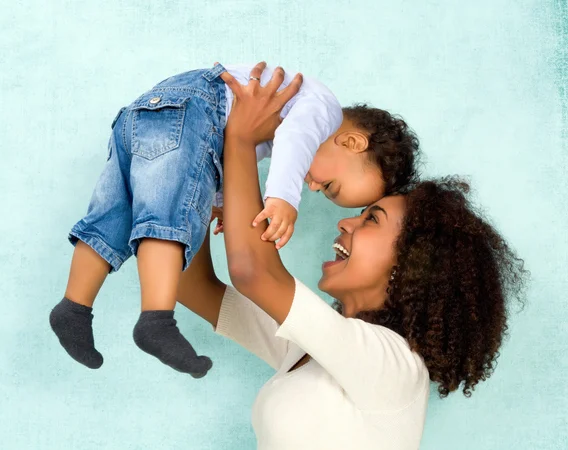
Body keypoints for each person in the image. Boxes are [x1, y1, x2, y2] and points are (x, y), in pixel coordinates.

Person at [176, 64, 528, 449]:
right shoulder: (311, 350)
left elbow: (252, 272)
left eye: (372, 219)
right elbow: (193, 286)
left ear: (411, 263)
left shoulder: (394, 367)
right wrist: (192, 188)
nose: (345, 223)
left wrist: (241, 140)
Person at [48, 62, 420, 377]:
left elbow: (222, 148)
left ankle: (73, 307)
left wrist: (217, 197)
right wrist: (282, 199)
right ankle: (156, 320)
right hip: (193, 107)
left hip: (152, 111)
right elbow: (288, 143)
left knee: (114, 216)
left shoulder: (384, 364)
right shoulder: (321, 110)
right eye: (330, 186)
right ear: (353, 143)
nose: (315, 187)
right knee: (167, 219)